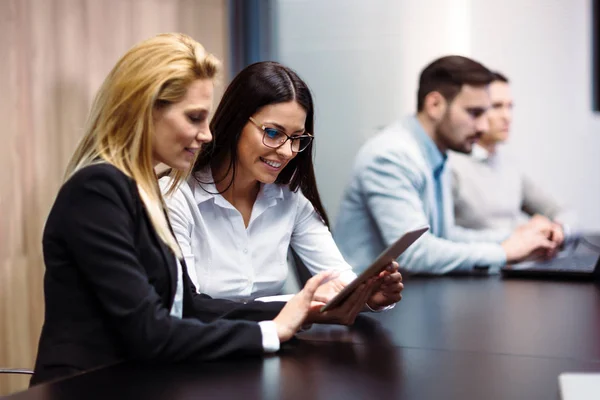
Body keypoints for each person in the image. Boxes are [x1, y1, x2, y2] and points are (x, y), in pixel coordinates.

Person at [31, 34, 377, 386]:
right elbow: (151, 330)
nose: (207, 134)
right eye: (194, 118)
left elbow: (190, 306)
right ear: (145, 110)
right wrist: (270, 332)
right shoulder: (98, 189)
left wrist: (302, 310)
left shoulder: (140, 189)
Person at [160, 61, 402, 310]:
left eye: (297, 138)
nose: (288, 151)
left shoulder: (290, 202)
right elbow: (187, 307)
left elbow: (339, 282)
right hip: (208, 345)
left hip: (275, 343)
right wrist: (295, 308)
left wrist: (368, 296)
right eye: (273, 133)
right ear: (235, 122)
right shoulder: (176, 198)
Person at [334, 56, 558, 275]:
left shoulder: (436, 152)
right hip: (364, 306)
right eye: (474, 113)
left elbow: (444, 236)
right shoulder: (392, 156)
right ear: (435, 105)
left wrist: (515, 237)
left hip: (403, 293)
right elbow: (414, 252)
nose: (482, 126)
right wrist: (503, 252)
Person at [450, 71, 574, 240]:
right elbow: (443, 237)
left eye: (510, 107)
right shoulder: (451, 166)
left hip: (520, 260)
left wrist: (557, 230)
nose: (507, 117)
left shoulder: (510, 166)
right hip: (482, 263)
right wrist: (518, 236)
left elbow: (562, 211)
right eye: (497, 106)